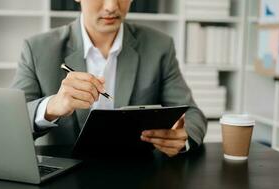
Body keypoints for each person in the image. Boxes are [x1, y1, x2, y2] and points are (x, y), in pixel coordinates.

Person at [11, 0, 207, 157]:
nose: (112, 6)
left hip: (138, 174)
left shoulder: (159, 46)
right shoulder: (37, 49)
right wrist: (51, 107)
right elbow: (11, 121)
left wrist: (182, 139)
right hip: (64, 176)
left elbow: (192, 114)